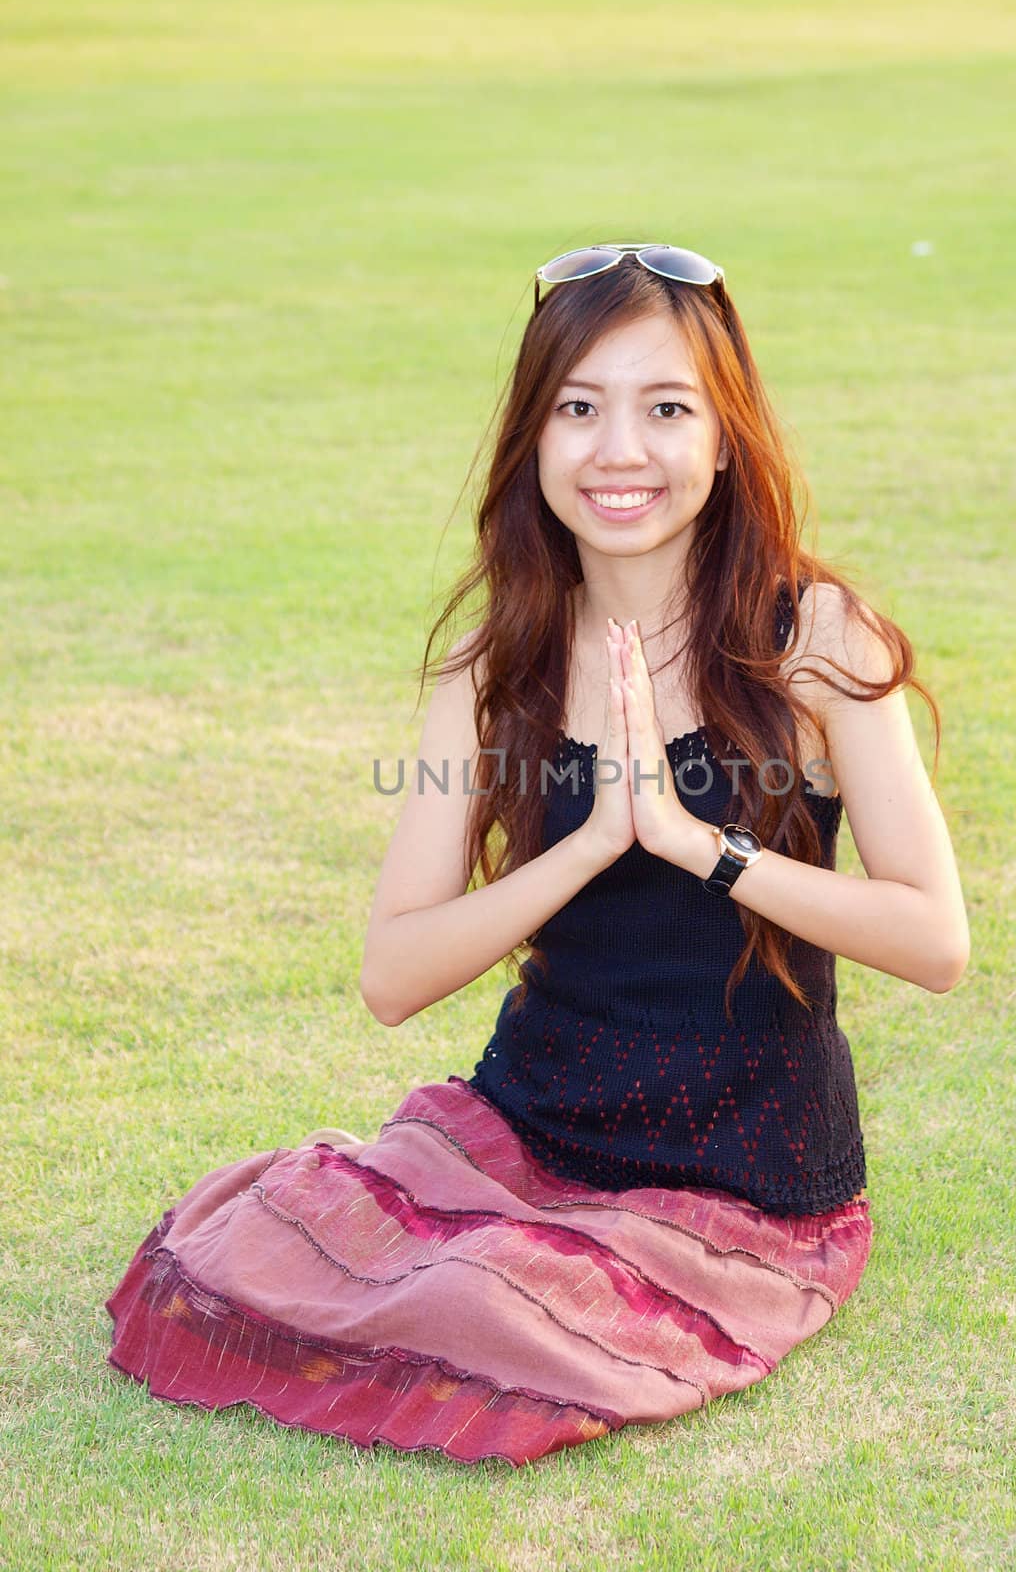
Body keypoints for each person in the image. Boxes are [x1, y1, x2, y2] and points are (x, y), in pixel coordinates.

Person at [105, 242, 970, 1469]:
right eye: (580, 409)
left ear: (725, 440)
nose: (621, 451)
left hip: (745, 1179)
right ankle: (499, 1247)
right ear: (535, 438)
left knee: (477, 1307)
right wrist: (585, 850)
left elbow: (936, 940)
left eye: (667, 409)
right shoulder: (494, 663)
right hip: (529, 1131)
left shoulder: (815, 638)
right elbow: (392, 973)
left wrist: (696, 845)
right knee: (266, 1239)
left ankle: (524, 1272)